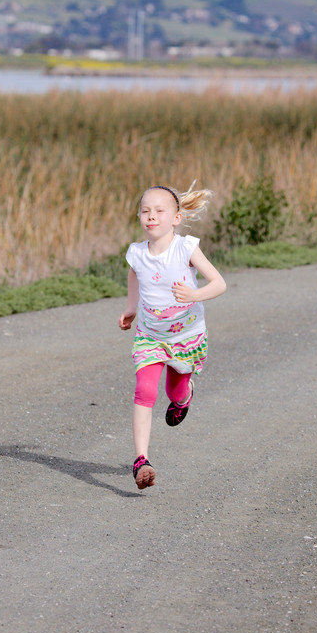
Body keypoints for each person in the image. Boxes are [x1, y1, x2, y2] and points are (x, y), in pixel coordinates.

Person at [118, 183, 227, 490]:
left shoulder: (185, 248)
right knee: (145, 391)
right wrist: (131, 308)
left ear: (176, 218)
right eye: (145, 211)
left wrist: (194, 293)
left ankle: (185, 395)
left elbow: (219, 283)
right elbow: (134, 274)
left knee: (174, 391)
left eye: (159, 211)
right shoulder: (136, 253)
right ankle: (141, 459)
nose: (151, 216)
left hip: (186, 336)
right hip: (150, 336)